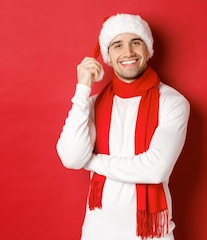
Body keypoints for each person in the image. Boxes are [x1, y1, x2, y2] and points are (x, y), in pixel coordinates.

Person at [56, 13, 190, 240]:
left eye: (136, 42)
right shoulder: (92, 103)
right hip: (97, 232)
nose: (128, 52)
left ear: (147, 50)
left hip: (151, 234)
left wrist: (92, 162)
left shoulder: (172, 102)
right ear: (107, 55)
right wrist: (82, 89)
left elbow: (155, 169)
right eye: (117, 45)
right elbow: (71, 158)